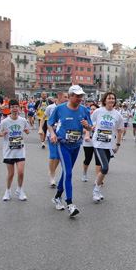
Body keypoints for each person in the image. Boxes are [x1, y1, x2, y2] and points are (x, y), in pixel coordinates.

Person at [47, 85, 92, 217]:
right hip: (63, 144)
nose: (80, 98)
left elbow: (89, 128)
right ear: (70, 96)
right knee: (69, 173)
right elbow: (49, 123)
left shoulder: (84, 110)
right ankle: (70, 204)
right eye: (77, 96)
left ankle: (56, 197)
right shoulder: (60, 109)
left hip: (76, 145)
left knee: (66, 172)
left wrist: (87, 126)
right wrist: (52, 134)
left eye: (81, 96)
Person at [90, 92, 123, 202]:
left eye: (113, 99)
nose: (111, 100)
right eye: (109, 98)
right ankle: (96, 190)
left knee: (105, 168)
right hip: (98, 143)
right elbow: (90, 124)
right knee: (105, 167)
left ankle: (98, 188)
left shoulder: (117, 115)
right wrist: (88, 133)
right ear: (105, 100)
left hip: (109, 144)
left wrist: (117, 144)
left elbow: (119, 130)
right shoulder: (98, 112)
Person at [0, 99, 31, 201]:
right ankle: (7, 191)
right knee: (11, 174)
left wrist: (26, 131)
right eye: (12, 107)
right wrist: (2, 134)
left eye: (16, 106)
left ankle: (20, 190)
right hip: (9, 151)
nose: (15, 109)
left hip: (20, 149)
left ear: (18, 108)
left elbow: (27, 130)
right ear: (9, 109)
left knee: (21, 172)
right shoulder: (5, 121)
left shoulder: (23, 120)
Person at [40, 91, 68, 188]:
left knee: (59, 157)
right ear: (59, 97)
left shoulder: (67, 108)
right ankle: (52, 176)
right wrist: (40, 128)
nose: (67, 99)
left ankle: (52, 170)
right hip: (51, 134)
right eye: (65, 97)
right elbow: (43, 118)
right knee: (54, 155)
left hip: (62, 135)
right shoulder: (50, 107)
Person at [81, 103, 98, 182]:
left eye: (94, 109)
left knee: (98, 160)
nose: (92, 111)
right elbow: (83, 130)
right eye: (91, 109)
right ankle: (84, 173)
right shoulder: (86, 119)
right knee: (88, 159)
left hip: (98, 143)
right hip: (88, 142)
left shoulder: (99, 119)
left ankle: (97, 177)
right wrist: (90, 128)